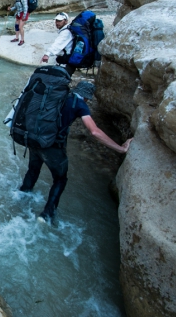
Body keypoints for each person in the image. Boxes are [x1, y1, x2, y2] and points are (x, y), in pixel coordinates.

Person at [19, 81, 132, 225]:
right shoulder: (80, 105)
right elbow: (94, 131)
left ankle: (22, 194)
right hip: (53, 147)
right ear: (86, 97)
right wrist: (120, 148)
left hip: (35, 139)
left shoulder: (58, 96)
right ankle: (46, 214)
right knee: (60, 179)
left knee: (33, 169)